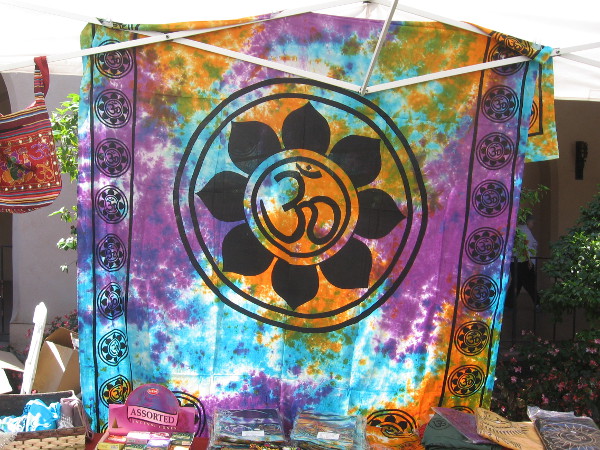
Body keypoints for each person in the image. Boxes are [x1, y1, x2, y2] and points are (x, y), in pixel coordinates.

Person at [505, 214, 540, 309]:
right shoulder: (525, 231)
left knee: (516, 283)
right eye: (533, 223)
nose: (533, 225)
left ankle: (509, 304)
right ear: (528, 222)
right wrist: (529, 260)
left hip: (514, 261)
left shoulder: (516, 230)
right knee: (529, 284)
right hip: (523, 261)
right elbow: (527, 246)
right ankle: (537, 303)